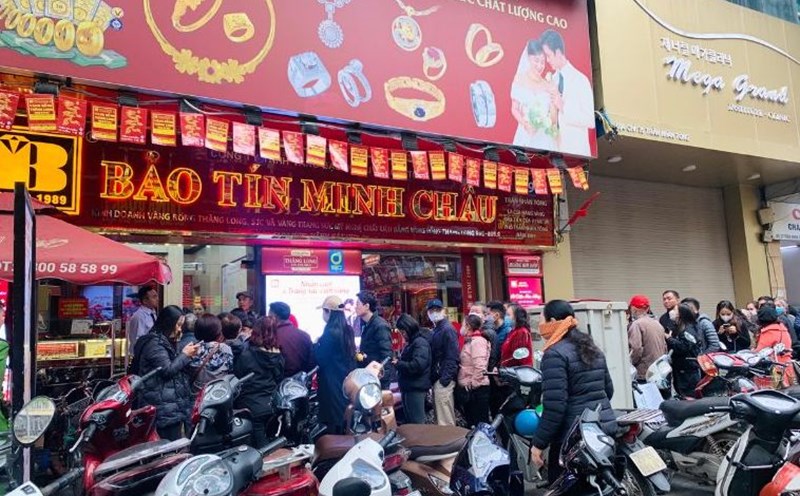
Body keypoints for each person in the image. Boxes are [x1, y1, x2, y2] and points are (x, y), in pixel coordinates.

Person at [529, 300, 615, 483]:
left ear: (552, 321)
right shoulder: (591, 347)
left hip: (572, 437)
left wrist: (538, 443)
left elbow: (555, 406)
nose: (540, 326)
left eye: (542, 320)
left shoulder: (554, 354)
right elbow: (609, 390)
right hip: (601, 428)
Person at [132, 305, 200, 440]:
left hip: (168, 405)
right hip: (161, 406)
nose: (179, 329)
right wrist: (185, 355)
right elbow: (167, 370)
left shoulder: (164, 341)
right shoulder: (154, 344)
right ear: (168, 323)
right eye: (178, 325)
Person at [539, 29, 594, 157]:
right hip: (553, 151)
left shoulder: (580, 80)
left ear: (558, 53)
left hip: (576, 152)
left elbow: (590, 120)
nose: (547, 60)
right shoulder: (552, 80)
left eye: (549, 55)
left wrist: (563, 106)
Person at [233, 316, 284, 448]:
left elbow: (237, 377)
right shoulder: (278, 356)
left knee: (259, 448)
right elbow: (279, 378)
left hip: (250, 405)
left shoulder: (246, 355)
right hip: (272, 403)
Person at [314, 295, 357, 434]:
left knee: (333, 422)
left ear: (329, 312)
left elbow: (320, 358)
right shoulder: (347, 330)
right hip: (345, 380)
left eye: (324, 311)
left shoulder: (330, 333)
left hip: (330, 383)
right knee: (343, 416)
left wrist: (316, 346)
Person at [511, 39, 558, 150]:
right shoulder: (520, 79)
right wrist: (525, 124)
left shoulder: (548, 85)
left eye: (542, 62)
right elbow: (514, 108)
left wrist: (553, 102)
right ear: (528, 58)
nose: (539, 65)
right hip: (525, 133)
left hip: (544, 138)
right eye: (536, 61)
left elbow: (553, 118)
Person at [393, 314, 432, 425]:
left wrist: (399, 364)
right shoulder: (413, 343)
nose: (402, 335)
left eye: (403, 332)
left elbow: (418, 365)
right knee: (411, 422)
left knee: (417, 422)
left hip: (416, 388)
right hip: (409, 387)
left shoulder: (420, 343)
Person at [427, 299, 460, 426]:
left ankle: (450, 439)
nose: (434, 313)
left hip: (444, 379)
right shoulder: (437, 329)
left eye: (437, 310)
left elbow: (453, 356)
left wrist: (445, 380)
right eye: (432, 310)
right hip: (439, 378)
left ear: (443, 311)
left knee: (445, 420)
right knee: (440, 417)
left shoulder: (447, 329)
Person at [457, 314, 491, 427]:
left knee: (479, 423)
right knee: (472, 423)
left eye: (463, 325)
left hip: (477, 389)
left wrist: (472, 384)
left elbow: (480, 366)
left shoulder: (477, 342)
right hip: (471, 388)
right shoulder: (470, 341)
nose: (461, 328)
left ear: (468, 326)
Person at [355, 290, 393, 388]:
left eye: (357, 304)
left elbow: (387, 356)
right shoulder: (368, 325)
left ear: (367, 306)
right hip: (368, 376)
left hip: (377, 379)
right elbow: (367, 353)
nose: (355, 307)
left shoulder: (380, 326)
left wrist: (383, 380)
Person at [188, 314, 234, 393]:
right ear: (218, 331)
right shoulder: (225, 349)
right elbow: (230, 369)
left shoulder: (192, 349)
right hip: (217, 392)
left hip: (196, 393)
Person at [627, 295, 667, 381]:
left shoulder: (636, 324)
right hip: (658, 371)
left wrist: (630, 364)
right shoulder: (657, 324)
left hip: (644, 372)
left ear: (633, 309)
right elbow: (664, 347)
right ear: (647, 308)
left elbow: (636, 348)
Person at [269, 302, 314, 378]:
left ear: (274, 316)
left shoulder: (271, 337)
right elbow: (311, 363)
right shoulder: (305, 336)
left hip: (278, 381)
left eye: (269, 316)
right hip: (300, 382)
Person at [667, 304, 703, 398]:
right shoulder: (679, 327)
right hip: (681, 368)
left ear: (681, 313)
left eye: (675, 310)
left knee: (689, 395)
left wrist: (669, 339)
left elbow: (684, 347)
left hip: (688, 369)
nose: (672, 312)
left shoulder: (688, 328)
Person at [127, 285, 159, 357]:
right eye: (154, 297)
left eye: (157, 296)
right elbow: (139, 340)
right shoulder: (139, 316)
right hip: (142, 355)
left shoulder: (153, 313)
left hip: (151, 352)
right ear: (145, 301)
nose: (157, 299)